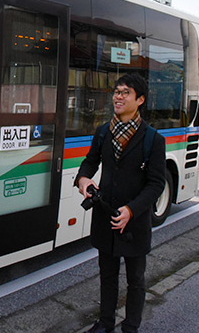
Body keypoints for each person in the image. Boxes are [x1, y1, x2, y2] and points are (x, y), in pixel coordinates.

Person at [75, 73, 165, 333]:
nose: (118, 96)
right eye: (117, 91)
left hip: (134, 220)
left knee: (135, 279)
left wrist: (131, 210)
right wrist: (83, 180)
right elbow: (90, 161)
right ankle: (105, 323)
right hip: (106, 216)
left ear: (140, 100)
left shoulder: (152, 140)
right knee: (107, 275)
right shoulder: (104, 131)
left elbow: (156, 184)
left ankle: (131, 327)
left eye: (126, 92)